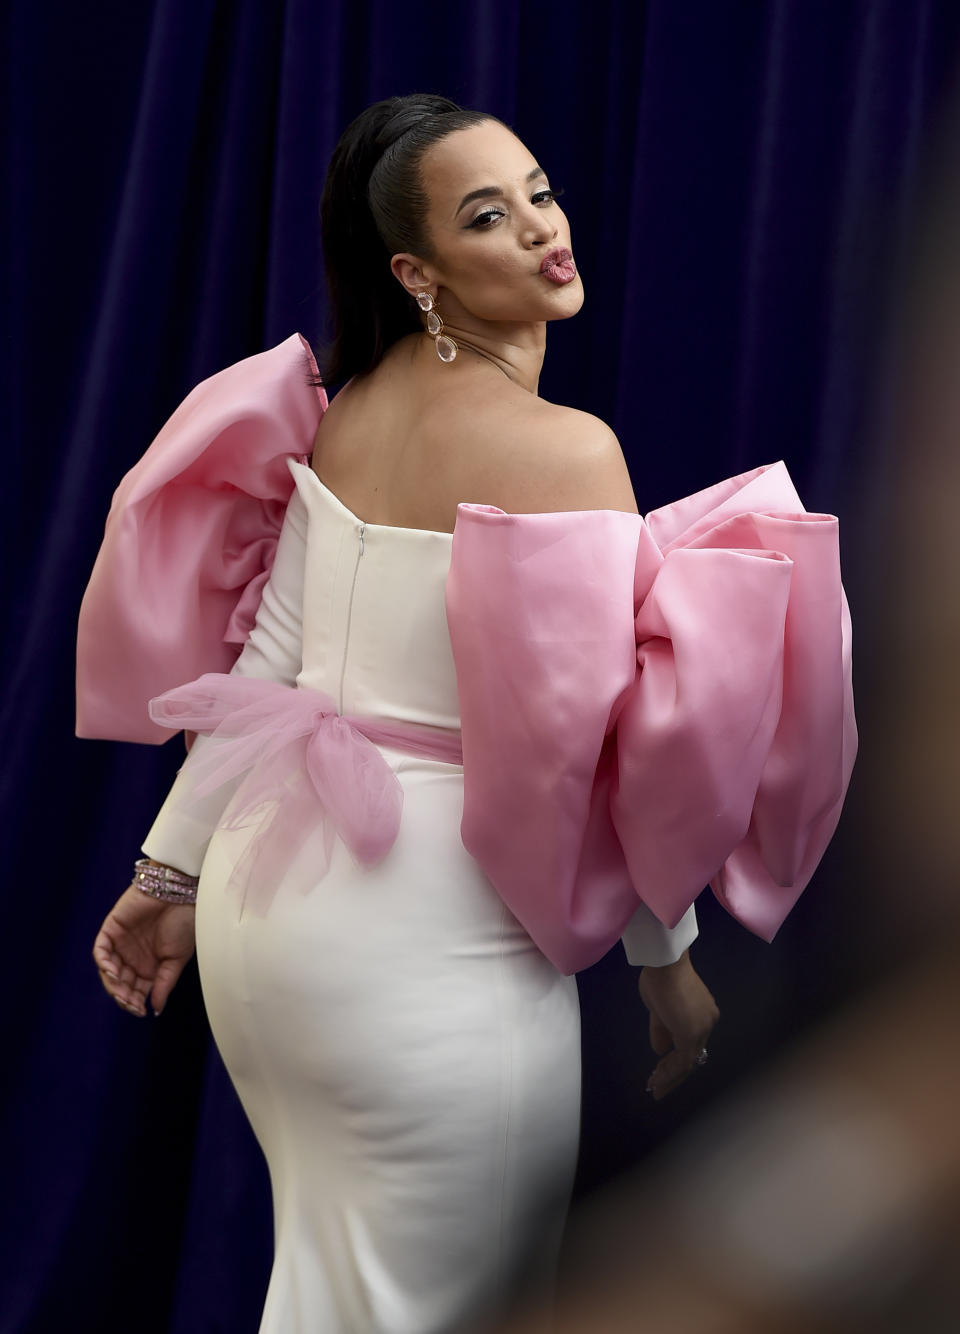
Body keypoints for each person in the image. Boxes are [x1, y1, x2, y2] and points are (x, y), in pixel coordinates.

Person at [79, 94, 855, 1334]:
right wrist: (668, 963)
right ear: (418, 272)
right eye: (490, 217)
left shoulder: (353, 406)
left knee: (332, 1293)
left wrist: (169, 876)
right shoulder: (568, 453)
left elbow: (273, 656)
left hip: (269, 915)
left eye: (540, 193)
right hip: (427, 939)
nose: (546, 231)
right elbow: (615, 740)